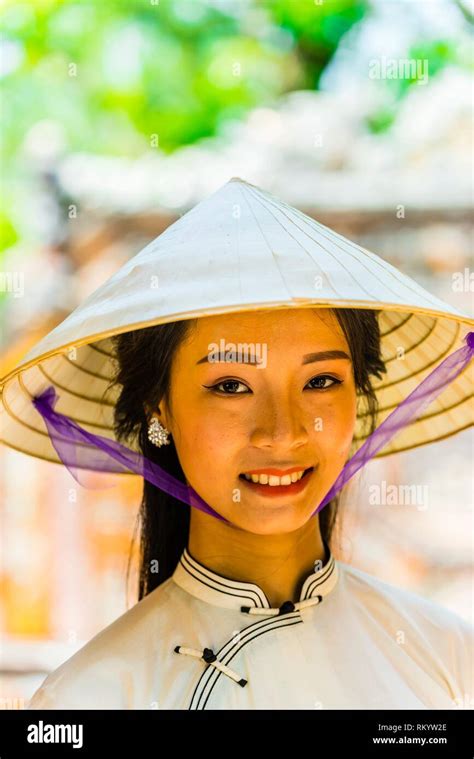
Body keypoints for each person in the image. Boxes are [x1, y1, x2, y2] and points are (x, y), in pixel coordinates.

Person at [1, 178, 472, 709]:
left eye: (320, 382)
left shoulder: (448, 656)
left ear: (358, 396)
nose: (283, 432)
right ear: (162, 405)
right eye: (231, 386)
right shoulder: (95, 696)